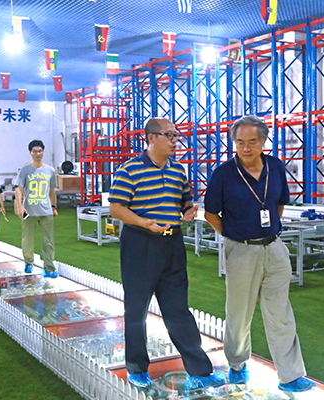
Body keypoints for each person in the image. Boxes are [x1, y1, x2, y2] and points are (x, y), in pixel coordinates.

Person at [109, 117, 225, 391]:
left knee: (178, 310)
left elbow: (185, 200)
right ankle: (137, 368)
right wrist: (143, 222)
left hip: (172, 244)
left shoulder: (177, 171)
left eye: (176, 135)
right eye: (169, 135)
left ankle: (200, 371)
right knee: (136, 309)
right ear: (151, 138)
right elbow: (116, 208)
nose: (175, 141)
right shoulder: (129, 170)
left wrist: (188, 210)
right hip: (140, 244)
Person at [204, 115, 315, 393]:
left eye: (252, 141)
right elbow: (210, 214)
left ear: (263, 142)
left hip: (274, 248)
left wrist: (269, 230)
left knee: (280, 312)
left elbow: (279, 204)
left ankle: (290, 375)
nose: (245, 148)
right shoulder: (223, 174)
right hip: (241, 250)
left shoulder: (275, 167)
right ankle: (237, 364)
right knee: (239, 313)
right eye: (240, 142)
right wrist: (233, 235)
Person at [14, 140, 58, 278]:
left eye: (40, 151)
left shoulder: (50, 170)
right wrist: (20, 206)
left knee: (48, 241)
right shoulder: (25, 170)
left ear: (43, 152)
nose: (38, 154)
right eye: (35, 151)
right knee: (27, 239)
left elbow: (52, 191)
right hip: (29, 211)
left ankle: (49, 268)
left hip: (46, 210)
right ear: (30, 153)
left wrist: (53, 207)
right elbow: (19, 189)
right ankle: (28, 262)